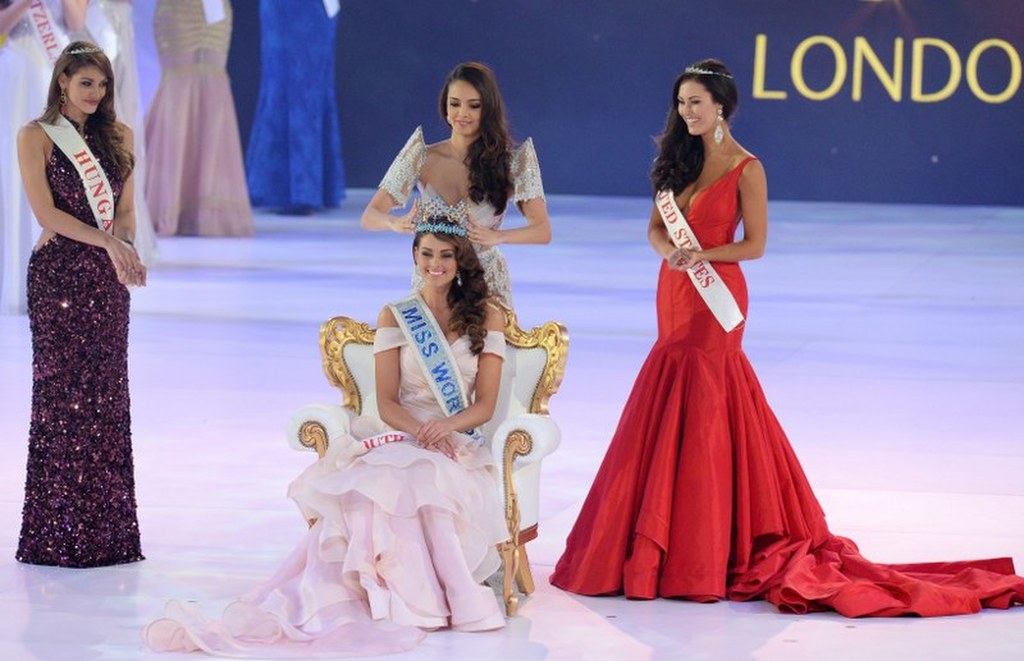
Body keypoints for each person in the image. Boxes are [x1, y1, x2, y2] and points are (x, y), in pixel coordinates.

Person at [549, 59, 1024, 617]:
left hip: (717, 299)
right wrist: (671, 252)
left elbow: (755, 245)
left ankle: (708, 542)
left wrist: (702, 254)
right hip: (674, 292)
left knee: (710, 399)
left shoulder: (747, 168)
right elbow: (655, 229)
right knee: (668, 389)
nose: (687, 111)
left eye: (696, 102)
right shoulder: (676, 160)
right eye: (681, 103)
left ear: (721, 106)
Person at [143, 219, 510, 656]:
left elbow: (486, 404)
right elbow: (387, 403)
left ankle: (439, 599)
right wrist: (420, 432)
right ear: (415, 256)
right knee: (385, 481)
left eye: (446, 255)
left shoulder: (488, 316)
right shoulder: (396, 314)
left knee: (422, 479)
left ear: (459, 260)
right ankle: (396, 600)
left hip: (455, 440)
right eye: (427, 253)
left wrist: (444, 428)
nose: (436, 263)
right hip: (403, 434)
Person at [15, 40, 146, 567]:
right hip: (58, 279)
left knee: (105, 399)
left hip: (106, 282)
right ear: (63, 82)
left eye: (103, 84)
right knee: (61, 400)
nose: (96, 92)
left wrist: (125, 247)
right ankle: (54, 533)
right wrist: (109, 243)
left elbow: (127, 211)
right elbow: (46, 214)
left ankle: (108, 534)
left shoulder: (121, 136)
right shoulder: (35, 135)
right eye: (85, 82)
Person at [361, 61, 551, 308]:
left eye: (474, 105)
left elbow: (542, 231)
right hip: (433, 278)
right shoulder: (421, 156)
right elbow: (370, 216)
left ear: (488, 109)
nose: (462, 113)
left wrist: (498, 236)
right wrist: (393, 223)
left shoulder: (513, 162)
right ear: (445, 105)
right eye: (455, 104)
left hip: (485, 282)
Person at [0, 0, 86, 314]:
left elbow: (76, 24)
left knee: (60, 176)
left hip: (55, 73)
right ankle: (17, 281)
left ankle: (59, 283)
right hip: (17, 72)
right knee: (18, 175)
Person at [144, 0, 253, 236]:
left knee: (214, 88)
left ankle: (206, 210)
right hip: (179, 12)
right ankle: (169, 205)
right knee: (178, 86)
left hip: (215, 13)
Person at [246, 0, 345, 214]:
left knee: (314, 88)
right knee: (282, 85)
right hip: (284, 8)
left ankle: (310, 189)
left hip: (318, 9)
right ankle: (288, 190)